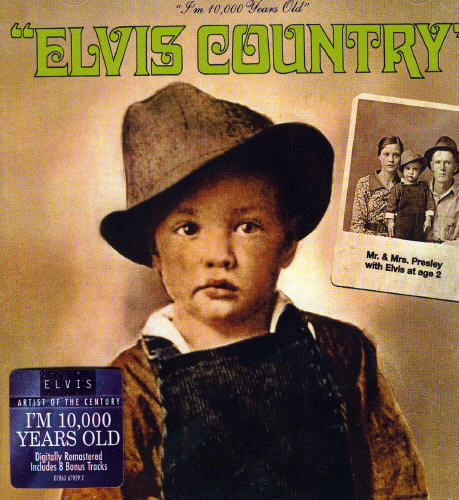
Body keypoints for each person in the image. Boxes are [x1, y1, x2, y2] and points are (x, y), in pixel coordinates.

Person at [62, 83, 427, 500]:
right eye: (188, 229)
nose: (219, 255)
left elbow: (398, 489)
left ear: (287, 243)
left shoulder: (343, 354)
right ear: (154, 251)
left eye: (247, 227)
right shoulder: (125, 388)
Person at [424, 136, 459, 247]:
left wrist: (439, 250)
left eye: (447, 163)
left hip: (449, 254)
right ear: (432, 166)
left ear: (455, 167)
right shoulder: (419, 193)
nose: (442, 168)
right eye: (438, 162)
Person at [350, 136, 403, 236]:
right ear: (379, 156)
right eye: (386, 154)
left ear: (401, 158)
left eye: (396, 155)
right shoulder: (365, 183)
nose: (391, 159)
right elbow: (356, 226)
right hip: (368, 240)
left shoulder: (404, 187)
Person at [385, 151, 435, 241]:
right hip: (402, 224)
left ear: (420, 171)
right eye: (408, 169)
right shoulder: (398, 187)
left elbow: (429, 204)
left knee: (417, 243)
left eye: (415, 169)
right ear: (403, 170)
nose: (411, 172)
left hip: (419, 223)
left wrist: (428, 219)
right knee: (401, 244)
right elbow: (391, 205)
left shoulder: (424, 187)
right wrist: (390, 221)